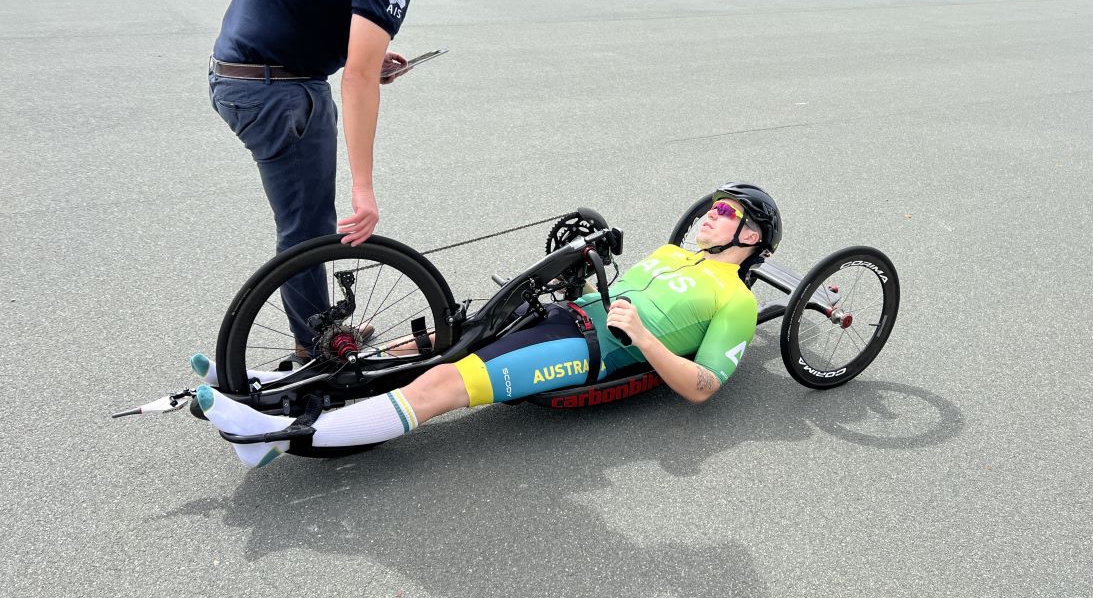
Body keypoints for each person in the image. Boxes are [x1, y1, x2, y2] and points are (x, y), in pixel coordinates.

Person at [195, 184, 784, 468]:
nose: (711, 214)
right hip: (560, 312)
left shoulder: (735, 299)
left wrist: (644, 335)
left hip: (585, 351)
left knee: (441, 386)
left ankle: (272, 438)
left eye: (726, 213)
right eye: (713, 206)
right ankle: (277, 386)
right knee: (431, 343)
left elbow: (703, 387)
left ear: (750, 238)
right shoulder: (670, 252)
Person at [208, 0, 500, 362]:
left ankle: (318, 331)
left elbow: (311, 6)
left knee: (307, 222)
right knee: (307, 228)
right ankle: (317, 350)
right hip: (277, 89)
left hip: (249, 73)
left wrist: (362, 55)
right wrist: (364, 191)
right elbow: (358, 79)